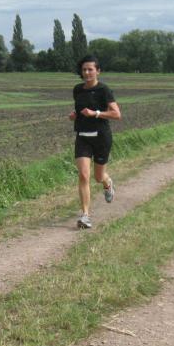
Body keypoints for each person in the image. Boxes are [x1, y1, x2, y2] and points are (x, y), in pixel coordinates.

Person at [68, 55, 121, 229]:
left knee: (98, 177)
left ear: (98, 71)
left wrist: (96, 113)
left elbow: (116, 114)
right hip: (83, 136)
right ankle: (85, 216)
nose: (87, 72)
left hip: (101, 137)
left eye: (90, 69)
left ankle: (107, 183)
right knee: (83, 175)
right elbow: (79, 109)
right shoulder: (77, 89)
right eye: (84, 69)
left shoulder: (104, 90)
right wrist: (74, 115)